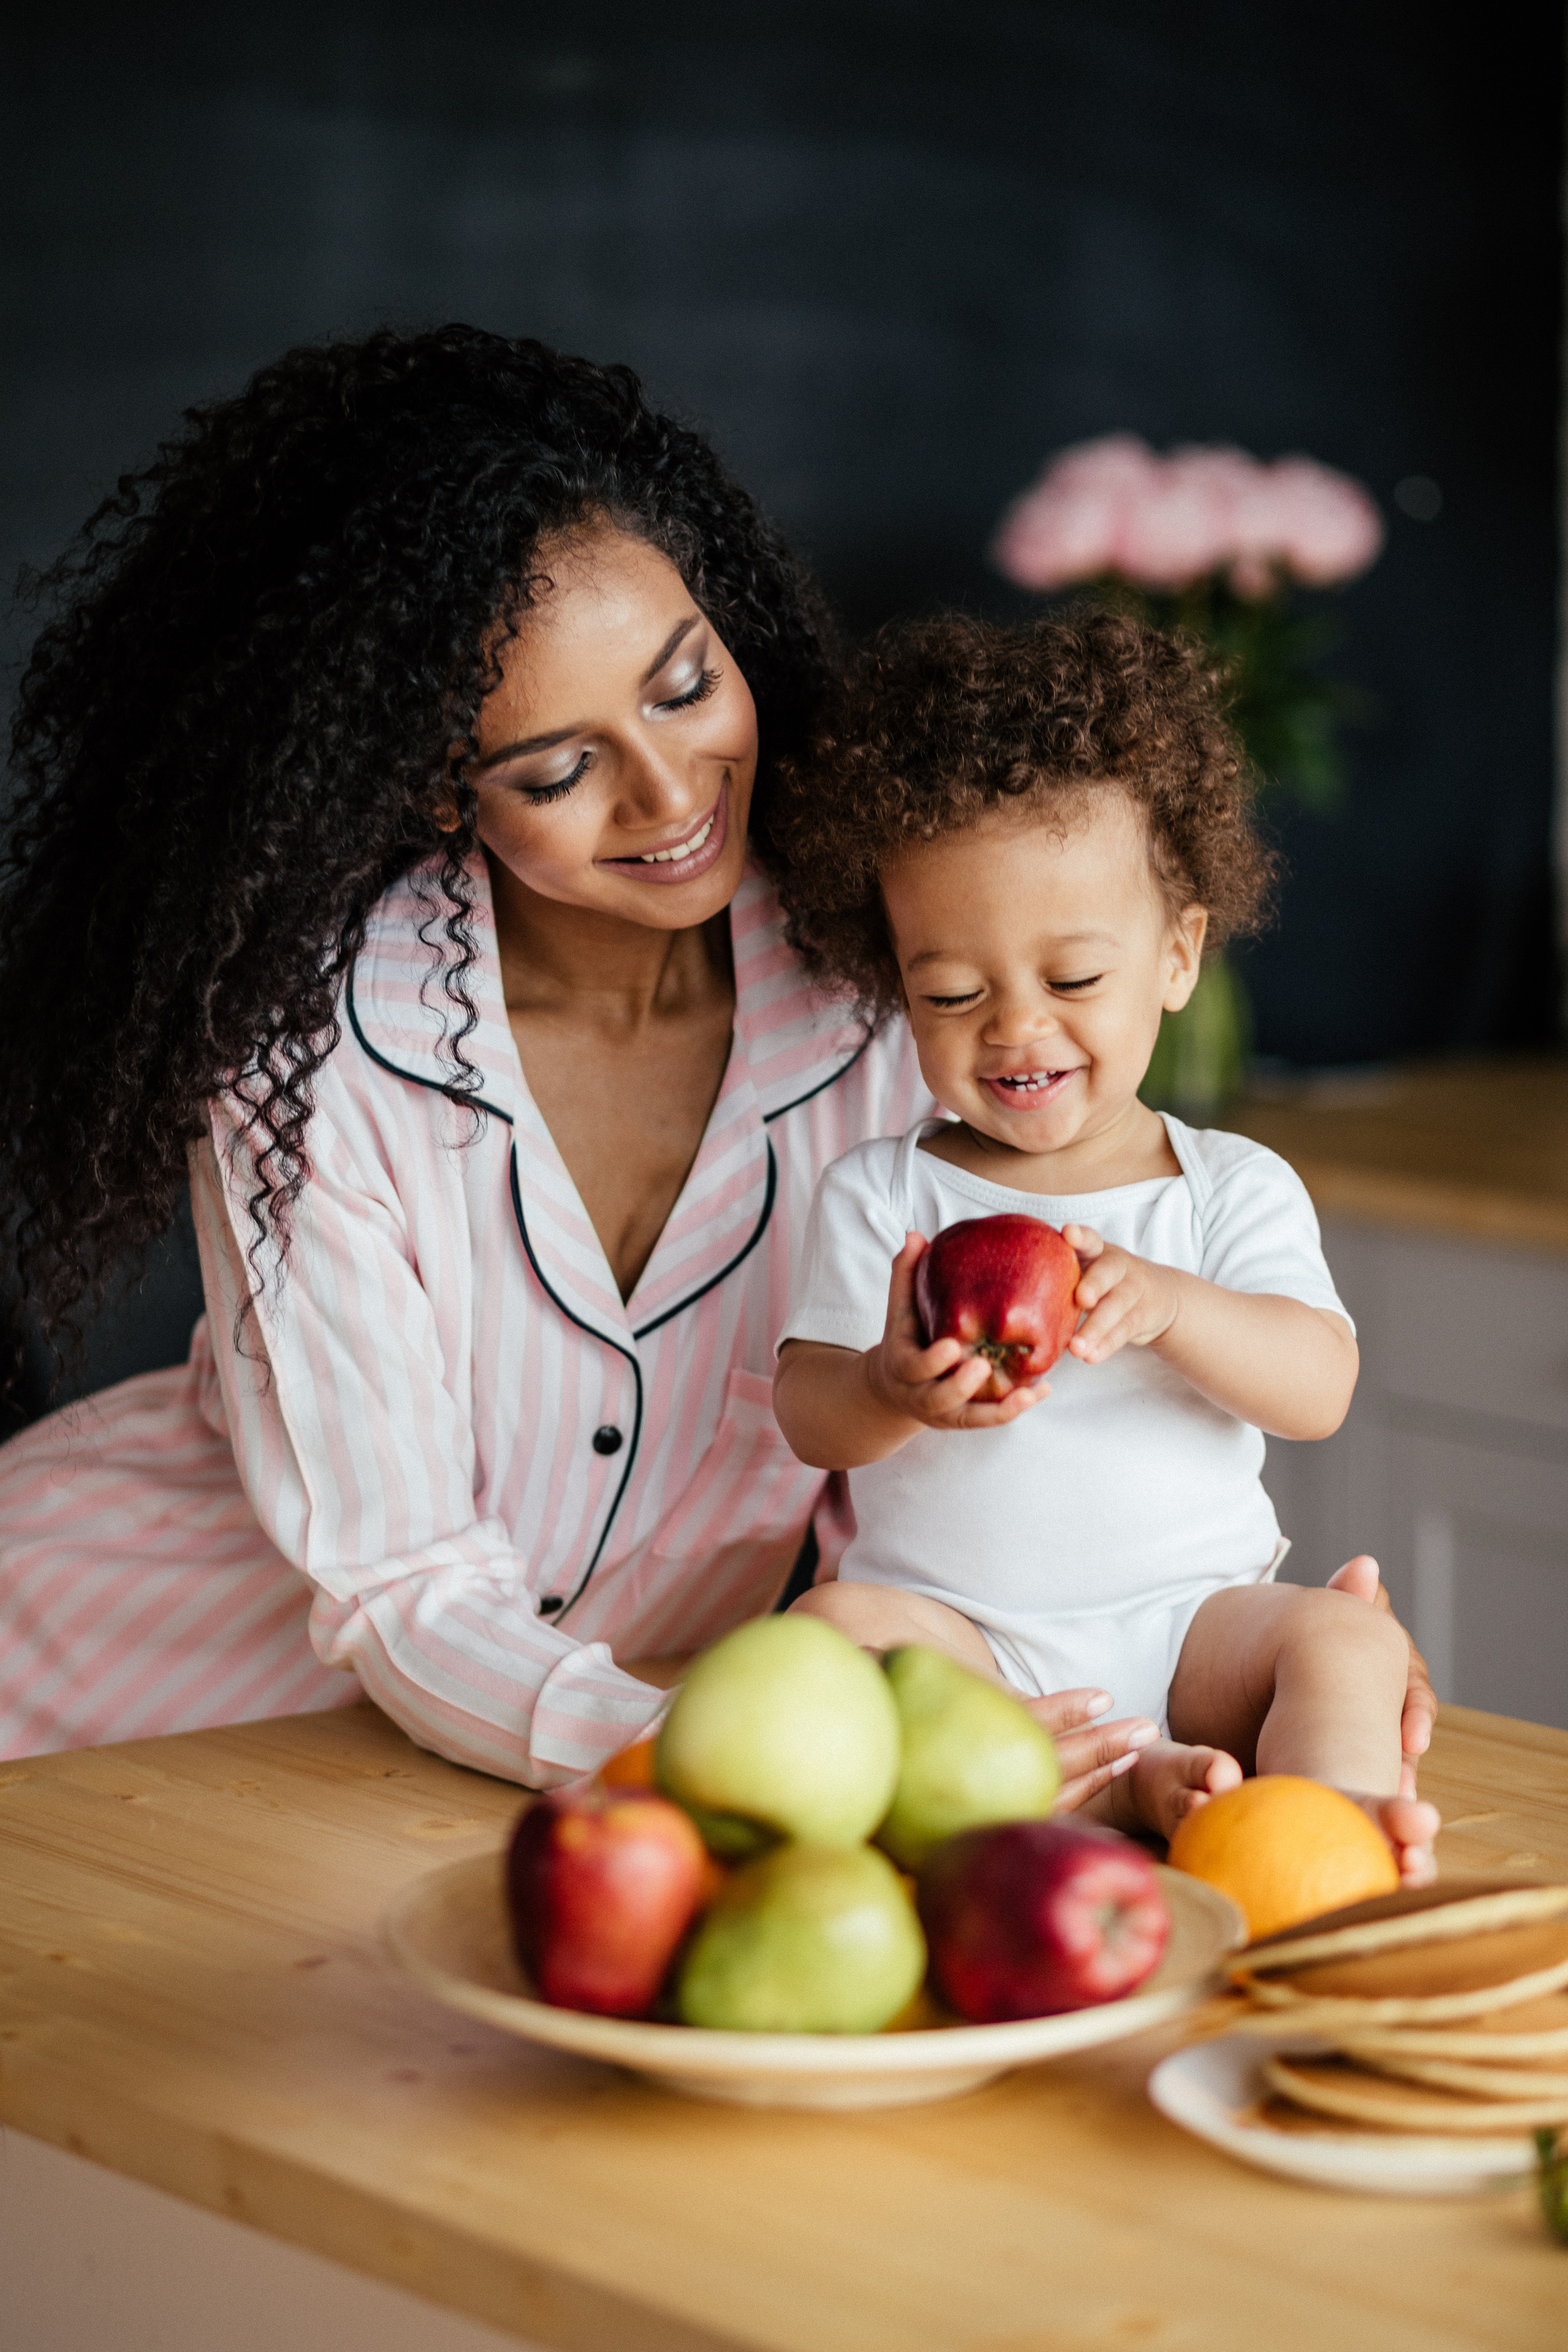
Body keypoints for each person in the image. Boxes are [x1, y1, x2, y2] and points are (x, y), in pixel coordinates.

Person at [0, 325, 1178, 1800]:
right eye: (556, 770)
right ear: (438, 785)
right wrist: (694, 1750)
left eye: (684, 688)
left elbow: (1012, 1410)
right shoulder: (310, 1050)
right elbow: (404, 1581)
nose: (671, 792)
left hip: (528, 1788)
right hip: (105, 1700)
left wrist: (1206, 1640)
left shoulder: (902, 994)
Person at [769, 611, 1441, 1878]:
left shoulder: (1223, 1187)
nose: (1014, 1029)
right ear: (895, 989)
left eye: (1071, 980)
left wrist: (1178, 1307)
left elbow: (1317, 1389)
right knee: (834, 1625)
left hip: (1194, 1628)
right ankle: (1104, 1794)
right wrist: (884, 1386)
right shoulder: (882, 1195)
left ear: (1175, 957)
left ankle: (1320, 1839)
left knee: (1344, 1644)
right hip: (964, 1641)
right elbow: (808, 1414)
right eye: (951, 995)